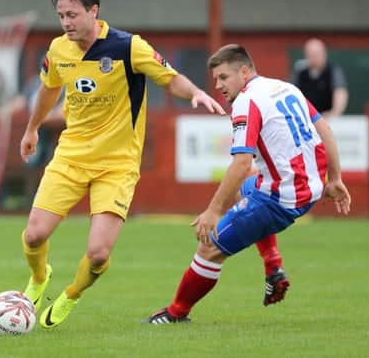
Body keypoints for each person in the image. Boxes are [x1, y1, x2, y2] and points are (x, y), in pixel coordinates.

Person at [18, 0, 226, 330]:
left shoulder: (129, 47)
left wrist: (194, 92)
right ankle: (39, 279)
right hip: (71, 156)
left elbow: (169, 78)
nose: (66, 22)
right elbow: (49, 89)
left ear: (93, 11)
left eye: (72, 14)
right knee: (34, 235)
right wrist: (32, 128)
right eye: (61, 15)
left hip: (116, 166)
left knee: (98, 254)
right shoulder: (58, 50)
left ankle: (72, 293)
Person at [147, 44, 351, 324]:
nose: (218, 85)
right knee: (246, 185)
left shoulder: (246, 101)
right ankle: (273, 268)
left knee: (210, 248)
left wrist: (213, 211)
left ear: (244, 72)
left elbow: (241, 161)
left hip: (281, 198)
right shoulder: (285, 87)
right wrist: (336, 179)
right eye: (215, 79)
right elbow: (324, 129)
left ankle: (176, 313)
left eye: (223, 78)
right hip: (312, 185)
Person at [292, 38, 348, 118]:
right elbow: (292, 94)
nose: (313, 57)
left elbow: (340, 93)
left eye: (315, 54)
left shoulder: (333, 72)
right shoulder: (299, 73)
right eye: (310, 54)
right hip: (305, 118)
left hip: (327, 119)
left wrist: (334, 113)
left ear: (324, 54)